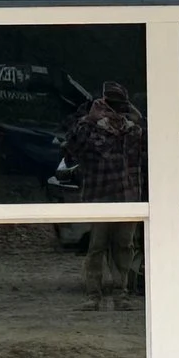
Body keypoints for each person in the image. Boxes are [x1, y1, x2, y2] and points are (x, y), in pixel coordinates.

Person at [63, 81, 146, 308]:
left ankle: (122, 294)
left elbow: (152, 143)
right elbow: (72, 146)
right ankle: (94, 295)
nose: (114, 110)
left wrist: (135, 116)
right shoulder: (90, 129)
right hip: (100, 197)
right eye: (111, 105)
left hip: (127, 199)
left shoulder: (134, 130)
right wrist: (90, 118)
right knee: (97, 247)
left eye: (118, 106)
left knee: (124, 247)